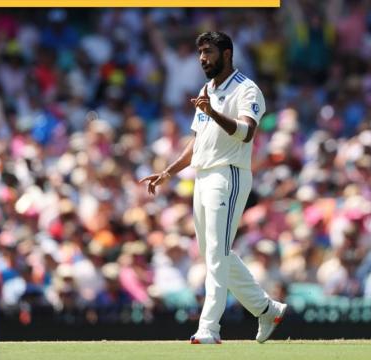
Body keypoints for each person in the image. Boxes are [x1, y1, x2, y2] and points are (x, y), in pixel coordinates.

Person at [140, 31, 287, 344]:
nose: (202, 59)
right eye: (200, 53)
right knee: (214, 254)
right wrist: (167, 171)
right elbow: (198, 141)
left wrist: (212, 112)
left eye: (208, 52)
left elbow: (246, 132)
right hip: (203, 175)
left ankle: (209, 329)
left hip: (229, 174)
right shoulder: (207, 89)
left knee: (217, 255)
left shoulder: (247, 89)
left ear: (227, 53)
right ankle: (266, 309)